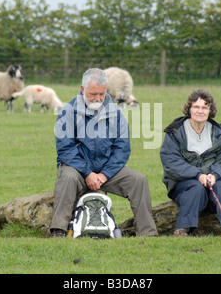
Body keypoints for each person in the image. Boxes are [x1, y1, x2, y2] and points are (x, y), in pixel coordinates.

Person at [50, 68, 158, 238]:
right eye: (93, 94)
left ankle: (148, 233)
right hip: (77, 168)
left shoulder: (116, 113)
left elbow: (122, 149)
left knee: (139, 180)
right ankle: (59, 230)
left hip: (106, 170)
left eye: (102, 94)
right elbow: (65, 149)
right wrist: (87, 173)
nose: (98, 98)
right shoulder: (67, 111)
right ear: (83, 89)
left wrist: (105, 175)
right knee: (68, 178)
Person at [159, 89, 221, 237]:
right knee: (195, 187)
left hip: (211, 182)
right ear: (189, 109)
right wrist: (197, 174)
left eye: (204, 107)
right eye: (196, 107)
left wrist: (215, 175)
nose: (200, 111)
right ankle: (182, 230)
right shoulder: (175, 132)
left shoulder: (218, 133)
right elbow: (171, 161)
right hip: (183, 184)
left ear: (210, 111)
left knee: (220, 185)